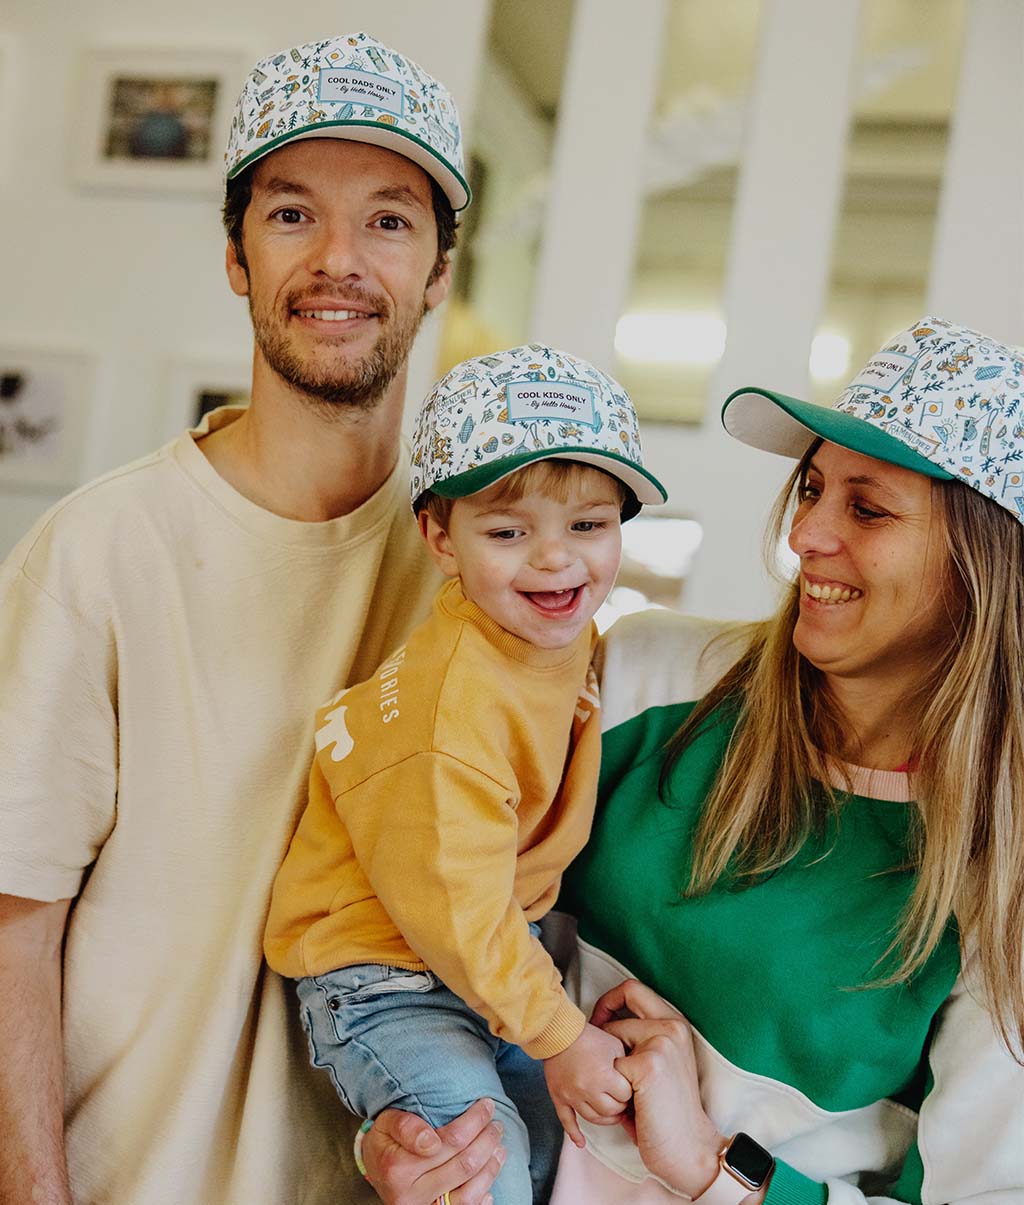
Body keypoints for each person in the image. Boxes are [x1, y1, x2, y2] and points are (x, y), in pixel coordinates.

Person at [0, 31, 506, 1204]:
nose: (339, 259)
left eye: (388, 220)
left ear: (438, 270)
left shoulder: (482, 574)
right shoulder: (97, 553)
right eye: (291, 215)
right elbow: (11, 931)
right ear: (235, 253)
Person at [364, 316, 1024, 1205]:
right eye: (812, 491)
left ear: (982, 564)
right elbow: (449, 901)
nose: (805, 538)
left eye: (866, 508)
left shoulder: (1005, 872)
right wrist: (406, 1120)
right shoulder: (644, 675)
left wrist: (711, 1167)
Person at [263, 343, 667, 1204]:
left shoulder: (551, 637)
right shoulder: (449, 715)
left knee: (559, 1161)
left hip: (486, 956)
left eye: (588, 525)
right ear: (441, 538)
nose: (557, 561)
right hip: (384, 976)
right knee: (482, 1167)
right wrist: (558, 1033)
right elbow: (455, 902)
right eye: (510, 531)